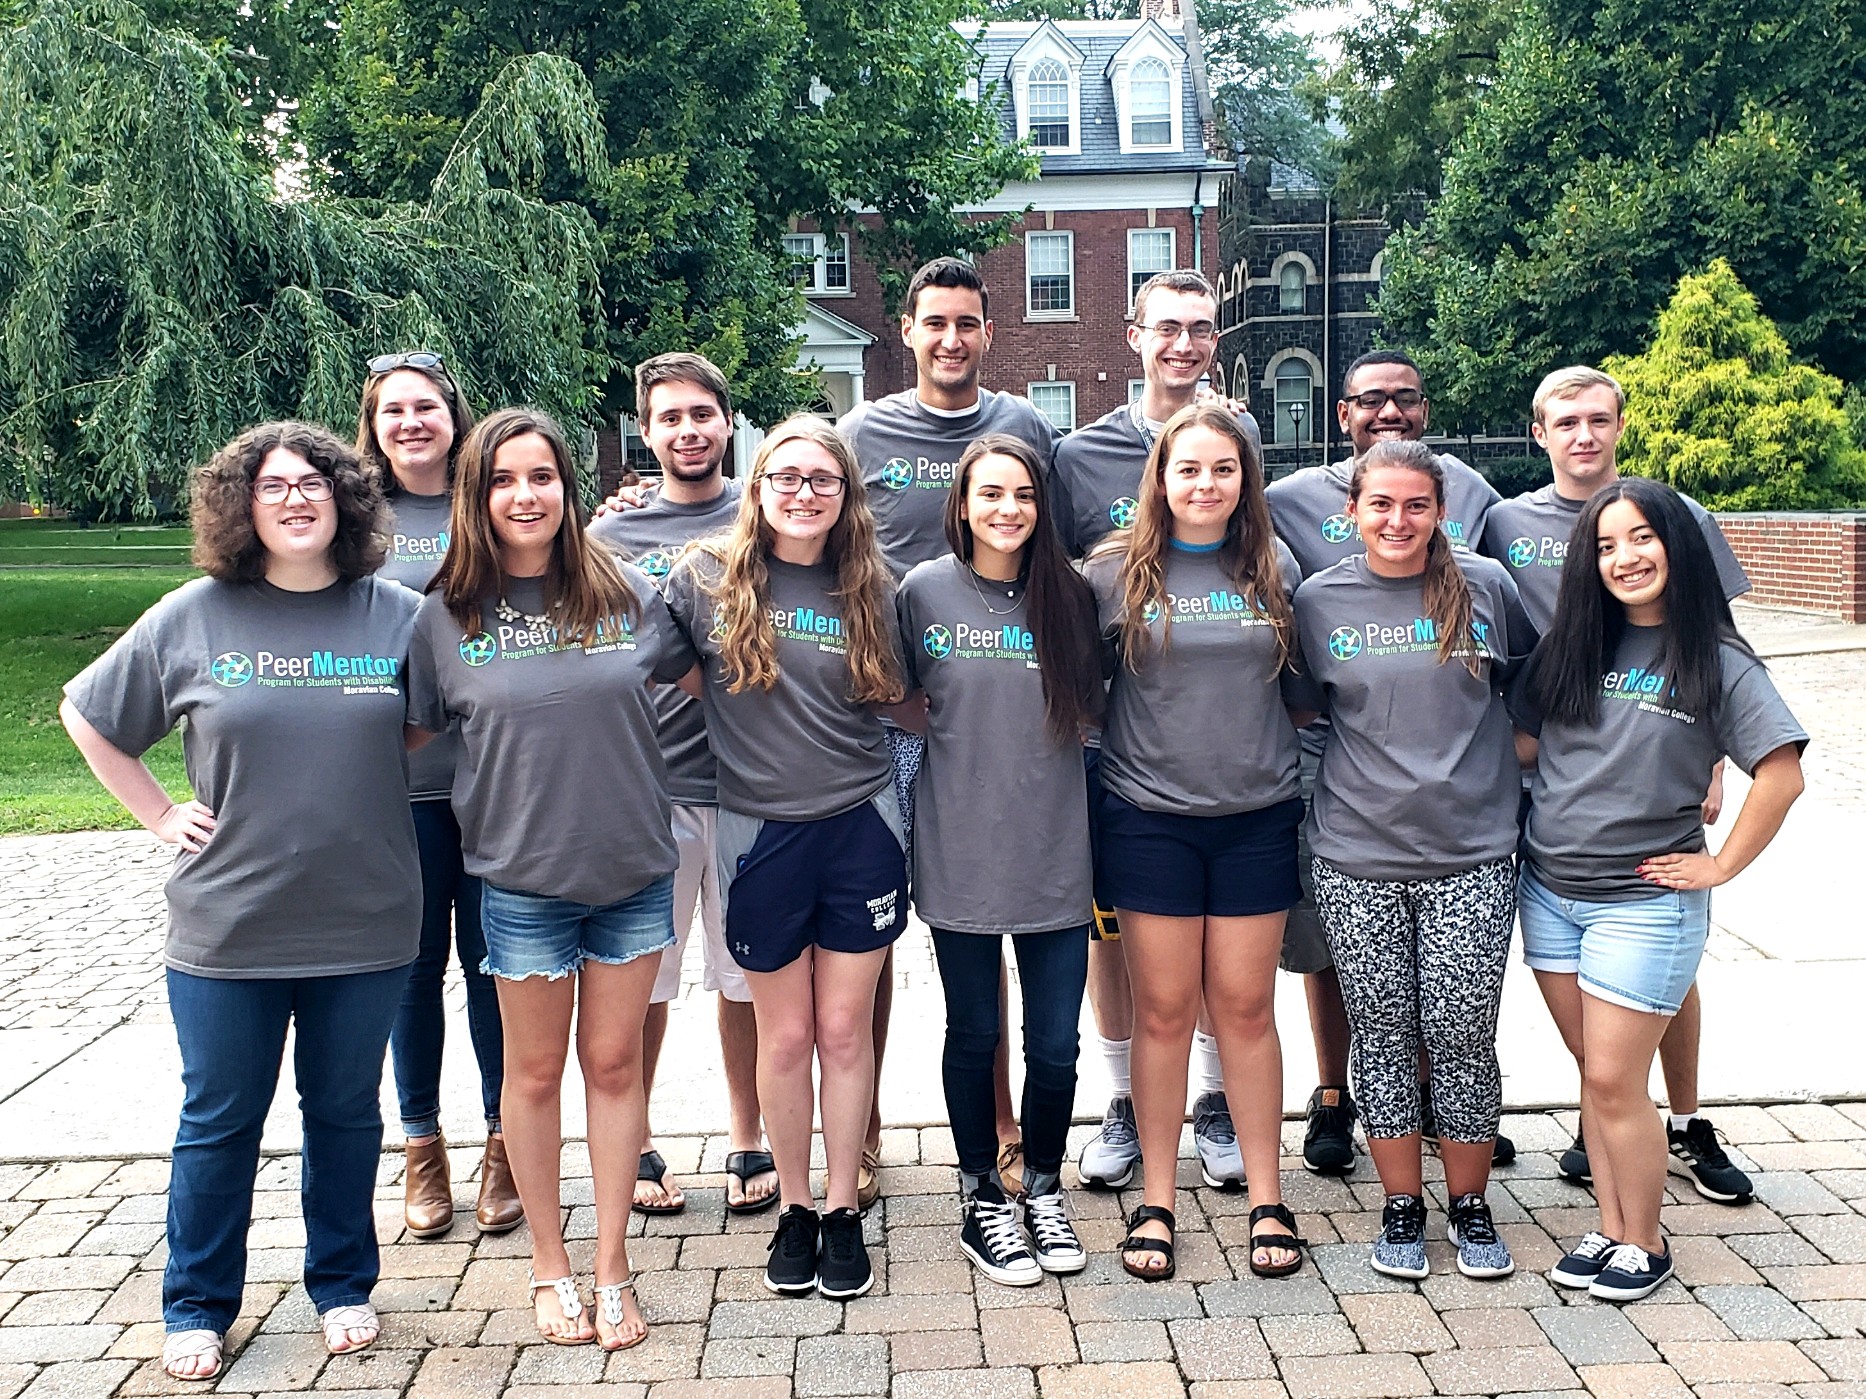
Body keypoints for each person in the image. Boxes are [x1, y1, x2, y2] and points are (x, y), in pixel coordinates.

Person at [61, 423, 422, 1380]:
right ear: (243, 506)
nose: (296, 498)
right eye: (272, 486)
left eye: (314, 482)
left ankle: (342, 1284)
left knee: (345, 1112)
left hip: (368, 916)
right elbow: (88, 713)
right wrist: (156, 813)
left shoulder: (397, 614)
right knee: (221, 1117)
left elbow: (433, 728)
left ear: (345, 499)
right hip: (230, 922)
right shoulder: (194, 614)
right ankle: (197, 1302)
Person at [406, 408, 697, 1351]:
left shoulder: (625, 594)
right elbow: (398, 742)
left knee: (614, 1069)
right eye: (503, 480)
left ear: (569, 490)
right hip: (520, 881)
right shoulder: (444, 614)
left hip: (633, 873)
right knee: (531, 1076)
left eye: (541, 477)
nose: (524, 495)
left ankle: (611, 1267)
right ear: (476, 495)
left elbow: (708, 683)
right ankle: (550, 1264)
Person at [1513, 478, 1805, 1301]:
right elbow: (1523, 746)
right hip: (1552, 890)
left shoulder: (1716, 655)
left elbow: (1780, 775)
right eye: (1605, 545)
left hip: (1645, 901)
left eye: (1642, 538)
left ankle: (1645, 1239)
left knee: (1611, 1078)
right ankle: (1610, 1227)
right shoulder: (1574, 644)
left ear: (1678, 546)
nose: (1625, 557)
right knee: (1598, 1075)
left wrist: (1721, 865)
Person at [1482, 366, 1756, 1201]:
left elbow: (1718, 638)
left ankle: (1683, 1120)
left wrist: (1711, 757)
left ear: (1621, 424)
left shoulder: (1676, 517)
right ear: (1540, 433)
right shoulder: (1505, 521)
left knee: (1656, 944)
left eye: (1599, 419)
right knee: (1572, 956)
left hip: (1649, 750)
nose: (1583, 435)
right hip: (1540, 747)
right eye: (1565, 421)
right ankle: (1607, 1110)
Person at [661, 416, 911, 1301]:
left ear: (847, 497)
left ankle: (843, 1209)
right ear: (757, 482)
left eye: (824, 481)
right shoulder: (704, 580)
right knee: (786, 1032)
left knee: (844, 1030)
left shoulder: (877, 585)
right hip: (757, 833)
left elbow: (916, 697)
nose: (805, 494)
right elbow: (656, 670)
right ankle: (795, 1208)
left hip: (861, 825)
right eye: (787, 477)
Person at [837, 256, 1060, 1208]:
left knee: (999, 904)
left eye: (967, 322)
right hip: (900, 706)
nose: (951, 338)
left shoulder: (1025, 428)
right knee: (882, 935)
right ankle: (869, 1122)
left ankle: (1010, 1130)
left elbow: (1069, 546)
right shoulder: (863, 431)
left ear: (988, 331)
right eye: (934, 322)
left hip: (1001, 701)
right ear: (911, 330)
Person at [1290, 439, 1532, 1282]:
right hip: (1356, 854)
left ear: (1441, 511)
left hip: (1473, 852)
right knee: (1385, 1036)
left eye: (1416, 505)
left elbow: (1530, 701)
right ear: (1352, 511)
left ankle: (1469, 1202)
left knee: (1464, 1031)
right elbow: (1303, 713)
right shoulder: (1318, 601)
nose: (1398, 521)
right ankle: (1402, 1204)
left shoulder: (1488, 589)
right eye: (1381, 505)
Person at [1264, 349, 1510, 1176]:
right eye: (1371, 400)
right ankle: (1336, 1096)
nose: (1390, 411)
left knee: (1454, 995)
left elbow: (1529, 668)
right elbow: (1295, 674)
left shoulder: (1476, 506)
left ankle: (1451, 1110)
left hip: (1456, 791)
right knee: (1333, 953)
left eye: (1406, 398)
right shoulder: (1287, 501)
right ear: (1342, 414)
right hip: (1338, 762)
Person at [1084, 404, 1311, 1282]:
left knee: (1247, 1008)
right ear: (1161, 479)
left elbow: (1305, 695)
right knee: (1166, 1012)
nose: (1206, 485)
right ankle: (1157, 1200)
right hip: (1148, 820)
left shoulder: (1275, 569)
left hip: (1256, 817)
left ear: (1244, 480)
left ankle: (1265, 1195)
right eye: (1189, 470)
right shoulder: (1113, 576)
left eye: (1224, 469)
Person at [1055, 269, 1266, 1193]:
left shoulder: (1243, 438)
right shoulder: (1077, 452)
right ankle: (1123, 1105)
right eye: (1167, 326)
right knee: (1120, 947)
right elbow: (1053, 588)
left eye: (1201, 329)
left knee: (1223, 959)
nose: (1184, 343)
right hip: (1120, 753)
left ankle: (1213, 1102)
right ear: (1133, 333)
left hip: (1230, 754)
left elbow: (1283, 555)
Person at [895, 434, 1103, 1286]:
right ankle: (982, 1194)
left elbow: (1096, 713)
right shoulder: (923, 592)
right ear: (962, 503)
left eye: (1022, 494)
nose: (1007, 509)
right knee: (973, 1031)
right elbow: (898, 702)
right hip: (960, 850)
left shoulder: (1073, 595)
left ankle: (1043, 1185)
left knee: (1055, 1044)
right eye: (990, 494)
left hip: (1057, 850)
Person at [589, 353, 774, 1217]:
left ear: (726, 421)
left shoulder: (768, 512)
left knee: (746, 975)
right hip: (648, 788)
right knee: (646, 981)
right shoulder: (607, 537)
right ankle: (643, 1137)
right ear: (646, 429)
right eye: (670, 417)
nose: (688, 430)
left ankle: (748, 1136)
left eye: (703, 414)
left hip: (751, 782)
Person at [355, 350, 519, 1241]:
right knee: (414, 970)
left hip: (496, 780)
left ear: (454, 416)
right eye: (393, 411)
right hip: (400, 785)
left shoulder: (486, 499)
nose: (411, 422)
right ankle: (421, 1145)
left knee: (496, 968)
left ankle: (505, 1145)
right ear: (373, 427)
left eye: (426, 407)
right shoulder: (353, 517)